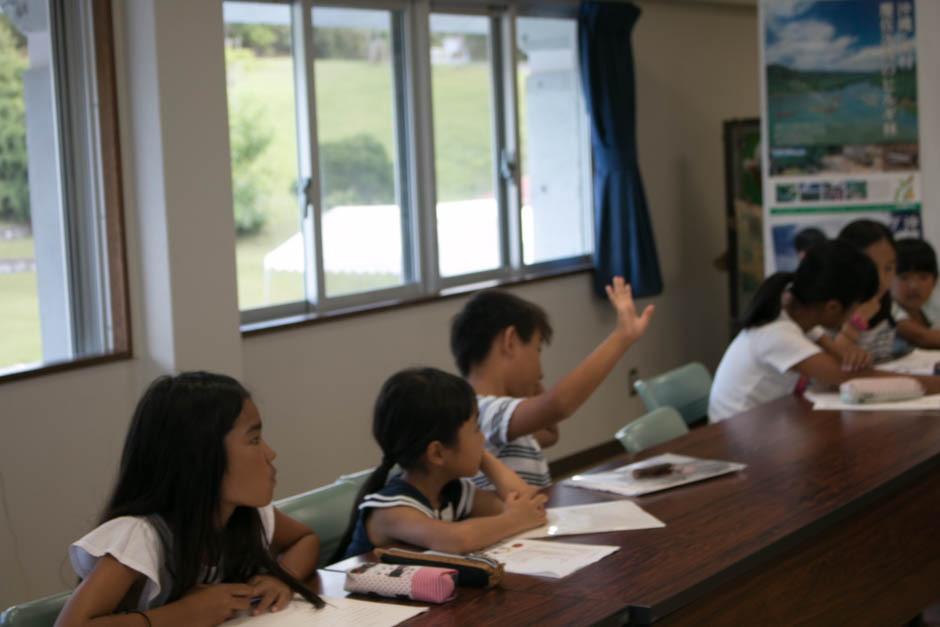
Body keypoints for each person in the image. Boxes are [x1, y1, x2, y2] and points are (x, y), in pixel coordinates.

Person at [55, 372, 323, 627]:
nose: (270, 453)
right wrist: (185, 614)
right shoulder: (141, 537)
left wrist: (281, 578)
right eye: (254, 440)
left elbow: (304, 540)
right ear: (200, 459)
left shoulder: (247, 514)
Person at [449, 277, 654, 488]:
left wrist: (530, 381)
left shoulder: (505, 415)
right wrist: (622, 338)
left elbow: (550, 433)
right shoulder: (480, 412)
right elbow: (558, 405)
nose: (541, 372)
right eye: (537, 350)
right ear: (510, 341)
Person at [708, 240, 940, 422]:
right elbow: (848, 378)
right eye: (854, 308)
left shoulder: (797, 314)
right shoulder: (777, 333)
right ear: (832, 307)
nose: (855, 315)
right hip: (739, 439)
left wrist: (853, 356)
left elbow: (843, 361)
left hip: (769, 425)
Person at [332, 368, 547, 561]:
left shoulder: (452, 492)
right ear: (437, 452)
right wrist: (513, 520)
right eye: (475, 429)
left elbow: (528, 504)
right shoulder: (390, 509)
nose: (483, 438)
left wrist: (481, 456)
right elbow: (457, 540)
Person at [827, 219, 902, 363]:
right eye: (871, 268)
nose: (881, 279)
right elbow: (822, 374)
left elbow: (881, 363)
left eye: (889, 268)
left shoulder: (887, 309)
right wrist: (854, 325)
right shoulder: (826, 309)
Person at [892, 238, 940, 348]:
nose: (914, 286)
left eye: (923, 277)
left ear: (935, 280)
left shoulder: (932, 306)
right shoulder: (887, 310)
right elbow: (923, 338)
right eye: (904, 277)